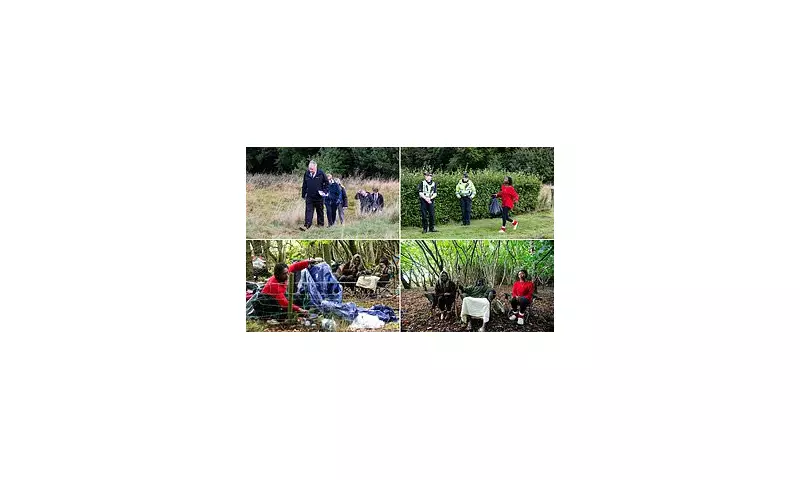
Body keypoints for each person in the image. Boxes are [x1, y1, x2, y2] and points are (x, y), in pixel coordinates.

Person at [253, 259, 317, 320]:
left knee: (298, 298)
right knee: (286, 311)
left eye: (287, 272)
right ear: (278, 275)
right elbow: (284, 303)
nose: (287, 275)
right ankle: (302, 315)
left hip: (280, 298)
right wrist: (300, 309)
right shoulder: (274, 285)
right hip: (269, 303)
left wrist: (307, 262)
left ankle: (304, 313)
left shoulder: (284, 273)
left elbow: (295, 266)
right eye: (284, 274)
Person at [300, 161, 329, 231]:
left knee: (320, 211)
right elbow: (304, 184)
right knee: (308, 211)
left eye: (312, 169)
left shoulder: (321, 173)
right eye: (309, 168)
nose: (310, 170)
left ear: (316, 167)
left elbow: (327, 183)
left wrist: (325, 191)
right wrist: (303, 195)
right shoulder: (306, 173)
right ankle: (306, 226)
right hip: (309, 196)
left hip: (319, 197)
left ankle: (320, 225)